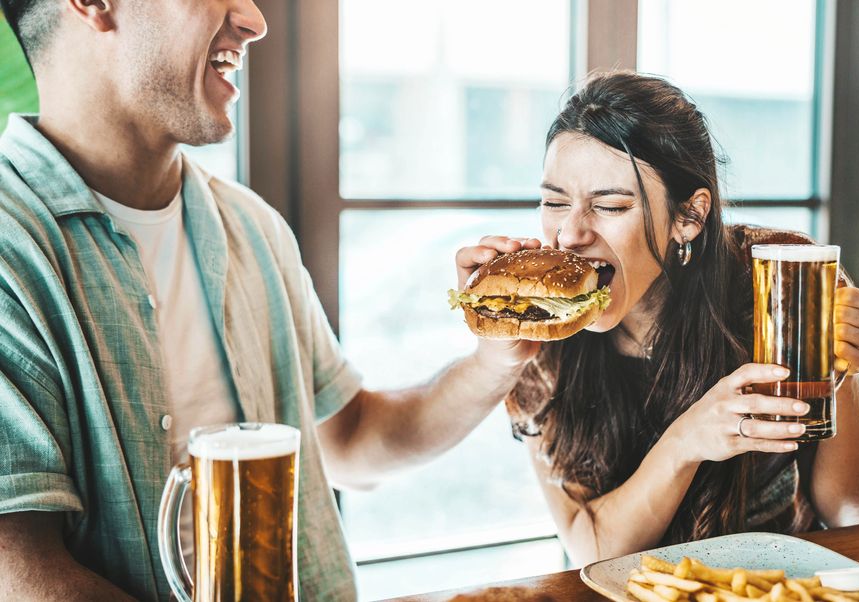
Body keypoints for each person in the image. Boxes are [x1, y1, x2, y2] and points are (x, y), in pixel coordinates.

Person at [0, 1, 533, 599]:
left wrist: (494, 362)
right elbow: (23, 577)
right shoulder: (10, 248)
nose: (254, 19)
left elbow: (353, 440)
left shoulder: (252, 225)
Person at [456, 72, 859, 565]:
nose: (569, 233)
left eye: (610, 205)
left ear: (689, 217)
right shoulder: (535, 332)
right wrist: (687, 440)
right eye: (554, 202)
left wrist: (841, 368)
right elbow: (591, 549)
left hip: (783, 587)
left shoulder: (780, 279)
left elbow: (852, 511)